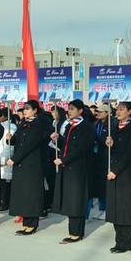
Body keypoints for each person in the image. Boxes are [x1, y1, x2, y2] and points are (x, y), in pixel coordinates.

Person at [52, 99, 93, 244]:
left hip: (78, 169)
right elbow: (68, 145)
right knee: (70, 199)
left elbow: (80, 149)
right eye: (68, 109)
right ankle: (73, 231)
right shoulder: (69, 126)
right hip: (68, 168)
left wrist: (63, 160)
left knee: (76, 200)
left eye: (73, 109)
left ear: (80, 111)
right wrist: (59, 139)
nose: (69, 111)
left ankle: (76, 233)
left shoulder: (86, 127)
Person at [105, 102, 131, 253]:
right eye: (117, 109)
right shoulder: (114, 126)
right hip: (114, 171)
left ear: (129, 112)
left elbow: (130, 153)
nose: (118, 111)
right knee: (116, 208)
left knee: (125, 208)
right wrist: (110, 143)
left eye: (122, 109)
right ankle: (118, 241)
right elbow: (114, 149)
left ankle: (126, 241)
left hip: (126, 173)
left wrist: (116, 170)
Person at [6, 100, 47, 235]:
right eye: (24, 109)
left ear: (35, 110)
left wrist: (14, 159)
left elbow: (29, 145)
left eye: (28, 108)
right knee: (23, 194)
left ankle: (33, 224)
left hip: (31, 164)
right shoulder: (23, 123)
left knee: (31, 193)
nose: (25, 111)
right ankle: (26, 222)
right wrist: (10, 139)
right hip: (21, 164)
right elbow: (17, 141)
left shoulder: (38, 124)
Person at [89, 103, 109, 220]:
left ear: (106, 113)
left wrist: (97, 139)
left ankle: (107, 208)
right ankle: (101, 208)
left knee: (105, 184)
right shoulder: (96, 124)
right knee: (99, 185)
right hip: (96, 156)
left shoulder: (111, 124)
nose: (97, 113)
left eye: (100, 112)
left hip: (105, 156)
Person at [0, 107, 16, 212]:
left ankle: (5, 203)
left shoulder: (11, 127)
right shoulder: (1, 126)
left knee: (6, 182)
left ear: (4, 116)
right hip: (0, 155)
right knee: (2, 181)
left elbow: (10, 144)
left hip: (6, 157)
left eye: (0, 115)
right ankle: (2, 201)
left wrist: (7, 157)